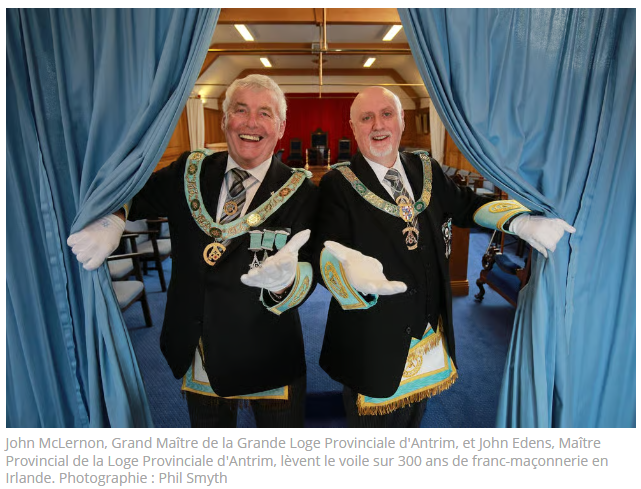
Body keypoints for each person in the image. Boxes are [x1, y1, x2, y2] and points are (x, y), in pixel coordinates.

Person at [314, 86, 574, 428]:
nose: (378, 125)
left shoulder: (426, 168)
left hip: (427, 330)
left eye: (386, 114)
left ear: (402, 120)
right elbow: (324, 250)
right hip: (372, 339)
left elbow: (466, 205)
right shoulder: (338, 183)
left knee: (413, 423)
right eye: (366, 118)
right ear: (353, 127)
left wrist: (519, 221)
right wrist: (350, 276)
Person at [68, 75, 319, 428]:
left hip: (269, 350)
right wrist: (114, 218)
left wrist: (285, 284)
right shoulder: (189, 171)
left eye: (265, 113)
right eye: (240, 110)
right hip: (198, 347)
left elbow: (312, 267)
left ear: (280, 127)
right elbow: (134, 194)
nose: (251, 122)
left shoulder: (303, 192)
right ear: (224, 119)